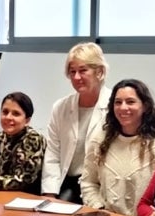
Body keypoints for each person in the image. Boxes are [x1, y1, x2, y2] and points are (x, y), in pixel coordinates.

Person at [80, 78, 155, 216]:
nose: (123, 107)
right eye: (118, 102)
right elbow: (88, 182)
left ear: (145, 106)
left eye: (130, 102)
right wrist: (99, 208)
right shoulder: (100, 141)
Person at [41, 43, 112, 202]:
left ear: (99, 71)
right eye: (72, 72)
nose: (76, 77)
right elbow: (53, 152)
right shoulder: (61, 107)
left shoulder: (115, 106)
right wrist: (49, 193)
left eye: (83, 71)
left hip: (100, 186)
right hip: (68, 183)